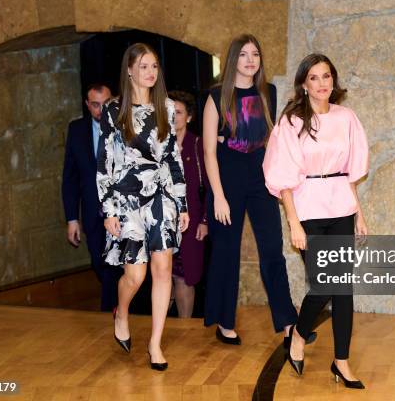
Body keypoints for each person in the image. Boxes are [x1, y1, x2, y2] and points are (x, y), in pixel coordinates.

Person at [263, 53, 369, 389]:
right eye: (314, 77)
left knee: (343, 288)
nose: (322, 83)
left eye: (327, 76)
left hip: (340, 205)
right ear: (304, 84)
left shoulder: (346, 117)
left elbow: (351, 170)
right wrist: (293, 222)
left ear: (333, 81)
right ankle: (297, 332)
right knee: (325, 283)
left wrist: (359, 213)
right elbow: (282, 177)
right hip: (308, 208)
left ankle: (341, 361)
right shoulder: (292, 121)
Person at [203, 34, 312, 346]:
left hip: (259, 177)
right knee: (226, 252)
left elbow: (270, 140)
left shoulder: (269, 93)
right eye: (243, 55)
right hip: (226, 176)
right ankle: (224, 323)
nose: (250, 60)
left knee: (272, 250)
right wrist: (219, 196)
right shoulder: (215, 96)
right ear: (233, 59)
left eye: (255, 55)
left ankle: (288, 322)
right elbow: (209, 151)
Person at [96, 43, 189, 371]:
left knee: (163, 270)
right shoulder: (113, 109)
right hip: (126, 200)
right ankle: (122, 311)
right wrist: (108, 209)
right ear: (130, 70)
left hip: (161, 199)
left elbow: (173, 160)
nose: (151, 72)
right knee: (135, 275)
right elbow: (104, 161)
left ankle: (155, 343)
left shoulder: (165, 106)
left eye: (155, 66)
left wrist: (182, 204)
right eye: (145, 66)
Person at [62, 83, 121, 312]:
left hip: (121, 209)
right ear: (87, 105)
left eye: (105, 104)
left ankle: (113, 311)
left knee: (117, 264)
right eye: (95, 105)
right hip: (92, 211)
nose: (100, 110)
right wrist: (72, 218)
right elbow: (70, 177)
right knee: (99, 262)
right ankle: (116, 307)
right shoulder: (76, 130)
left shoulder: (124, 127)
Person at [168, 90, 208, 318]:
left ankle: (185, 329)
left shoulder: (198, 145)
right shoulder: (158, 145)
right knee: (164, 275)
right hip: (163, 224)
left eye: (179, 112)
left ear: (189, 117)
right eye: (170, 112)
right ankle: (163, 331)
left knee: (185, 277)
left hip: (191, 224)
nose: (174, 117)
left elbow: (211, 187)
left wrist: (205, 220)